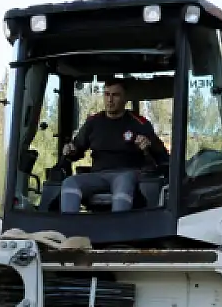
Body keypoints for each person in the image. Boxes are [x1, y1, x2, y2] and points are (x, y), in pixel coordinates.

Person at [59, 79, 170, 213]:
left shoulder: (139, 123)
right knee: (70, 183)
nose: (110, 100)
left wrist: (148, 146)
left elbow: (162, 157)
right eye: (106, 94)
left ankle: (118, 230)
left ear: (125, 99)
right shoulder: (93, 123)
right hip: (98, 175)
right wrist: (70, 150)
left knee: (123, 182)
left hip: (127, 173)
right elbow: (76, 150)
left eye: (115, 95)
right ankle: (70, 229)